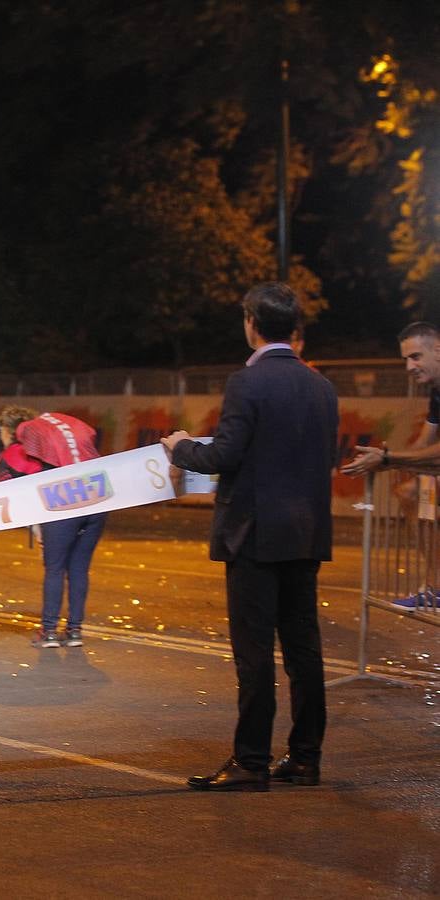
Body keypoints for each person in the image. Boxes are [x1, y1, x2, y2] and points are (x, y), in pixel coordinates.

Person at [161, 282, 338, 793]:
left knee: (255, 650)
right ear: (294, 329)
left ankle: (251, 761)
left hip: (255, 534)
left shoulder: (248, 382)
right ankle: (305, 758)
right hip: (305, 533)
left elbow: (224, 457)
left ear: (250, 323)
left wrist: (181, 447)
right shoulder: (321, 386)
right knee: (304, 648)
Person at [5, 409, 107, 649]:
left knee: (55, 568)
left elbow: (26, 468)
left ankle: (49, 631)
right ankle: (74, 631)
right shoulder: (73, 422)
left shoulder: (30, 429)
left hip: (64, 497)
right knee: (79, 568)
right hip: (97, 494)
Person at [342, 322, 440, 475]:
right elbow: (422, 444)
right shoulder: (436, 394)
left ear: (438, 351)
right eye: (406, 360)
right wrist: (386, 461)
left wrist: (388, 458)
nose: (409, 367)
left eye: (415, 357)